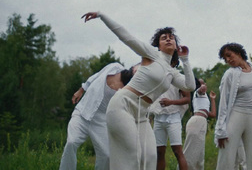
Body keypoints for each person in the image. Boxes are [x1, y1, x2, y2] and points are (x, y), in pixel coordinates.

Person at [81, 12, 196, 170]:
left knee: (150, 157)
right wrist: (102, 15)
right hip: (122, 105)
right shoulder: (152, 55)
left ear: (176, 45)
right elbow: (126, 37)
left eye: (171, 37)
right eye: (164, 38)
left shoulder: (172, 73)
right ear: (159, 45)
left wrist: (185, 60)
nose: (168, 39)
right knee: (133, 154)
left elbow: (190, 86)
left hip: (141, 113)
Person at [59, 62, 134, 170]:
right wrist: (82, 89)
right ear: (132, 67)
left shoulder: (127, 90)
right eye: (137, 68)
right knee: (71, 142)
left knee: (107, 155)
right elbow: (97, 75)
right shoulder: (115, 67)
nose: (136, 71)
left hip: (101, 121)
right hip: (82, 112)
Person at [214, 42, 252, 170]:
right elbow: (223, 102)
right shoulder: (230, 74)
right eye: (225, 58)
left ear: (238, 53)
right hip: (236, 114)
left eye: (229, 55)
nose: (228, 60)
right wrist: (220, 130)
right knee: (227, 153)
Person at [149, 85, 190, 170]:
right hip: (158, 117)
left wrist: (171, 102)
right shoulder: (157, 76)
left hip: (173, 116)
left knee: (177, 151)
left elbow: (187, 98)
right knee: (159, 152)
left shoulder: (177, 78)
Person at [181, 78, 217, 170]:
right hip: (196, 122)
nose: (203, 84)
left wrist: (212, 99)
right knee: (190, 153)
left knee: (199, 156)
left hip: (202, 122)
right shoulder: (198, 93)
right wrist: (201, 86)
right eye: (200, 83)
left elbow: (212, 114)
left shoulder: (204, 100)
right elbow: (202, 89)